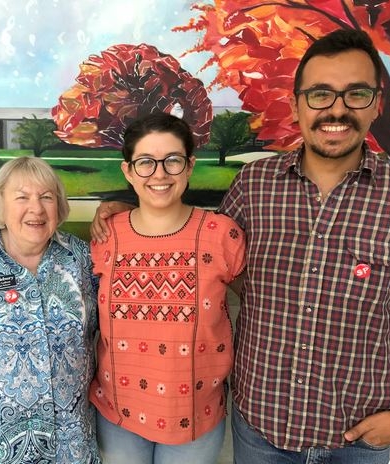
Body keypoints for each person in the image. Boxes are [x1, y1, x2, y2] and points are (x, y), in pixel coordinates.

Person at [92, 29, 390, 463]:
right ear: (297, 103)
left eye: (355, 94)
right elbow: (200, 247)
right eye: (320, 94)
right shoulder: (254, 185)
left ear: (377, 102)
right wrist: (122, 211)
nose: (336, 109)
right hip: (261, 428)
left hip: (359, 434)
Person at [89, 112, 245, 463]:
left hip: (195, 417)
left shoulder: (222, 234)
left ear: (190, 166)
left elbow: (261, 306)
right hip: (117, 414)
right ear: (128, 171)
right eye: (145, 162)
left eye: (172, 161)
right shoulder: (106, 235)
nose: (159, 174)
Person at [0, 156, 101, 463]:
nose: (36, 209)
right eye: (22, 197)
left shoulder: (82, 260)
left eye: (46, 197)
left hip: (71, 448)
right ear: (1, 205)